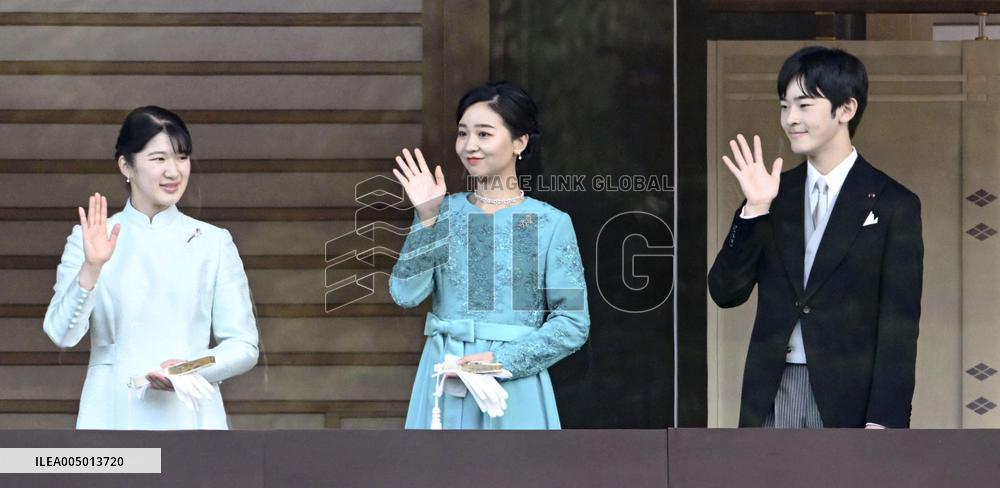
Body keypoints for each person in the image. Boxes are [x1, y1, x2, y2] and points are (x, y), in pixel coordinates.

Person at [709, 46, 923, 428]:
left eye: (804, 105)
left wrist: (884, 420)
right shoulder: (773, 194)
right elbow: (726, 292)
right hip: (773, 391)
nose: (791, 118)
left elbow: (899, 324)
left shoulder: (894, 204)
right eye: (784, 106)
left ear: (846, 109)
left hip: (850, 396)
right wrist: (754, 209)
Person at [42, 106, 259, 429]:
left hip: (190, 416)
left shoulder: (212, 242)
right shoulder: (89, 238)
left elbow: (244, 345)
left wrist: (189, 369)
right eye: (159, 159)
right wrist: (92, 267)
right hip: (113, 413)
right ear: (126, 165)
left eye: (182, 157)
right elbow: (61, 334)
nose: (174, 171)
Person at [389, 81, 590, 429]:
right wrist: (427, 217)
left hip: (511, 388)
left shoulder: (549, 223)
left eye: (484, 134)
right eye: (462, 133)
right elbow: (405, 294)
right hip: (444, 379)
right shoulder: (440, 212)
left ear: (519, 142)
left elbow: (572, 323)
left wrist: (497, 362)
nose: (470, 145)